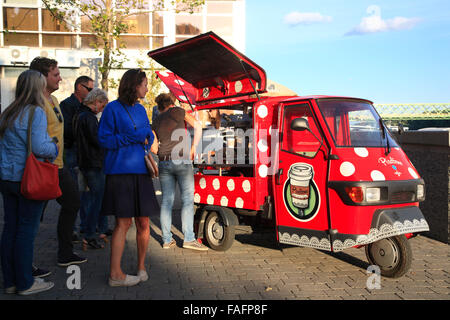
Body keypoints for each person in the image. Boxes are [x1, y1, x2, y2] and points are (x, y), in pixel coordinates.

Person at [98, 69, 159, 287]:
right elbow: (104, 140)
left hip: (141, 172)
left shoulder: (142, 109)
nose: (147, 88)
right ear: (134, 85)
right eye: (144, 84)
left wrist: (149, 136)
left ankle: (141, 267)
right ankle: (115, 274)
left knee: (144, 222)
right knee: (123, 223)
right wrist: (131, 137)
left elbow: (147, 133)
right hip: (120, 172)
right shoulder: (112, 109)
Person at [0, 70, 58, 295]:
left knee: (10, 230)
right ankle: (25, 282)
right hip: (27, 179)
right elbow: (40, 148)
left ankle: (10, 281)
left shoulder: (8, 112)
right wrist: (54, 146)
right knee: (26, 231)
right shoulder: (36, 112)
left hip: (7, 178)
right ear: (36, 88)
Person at [29, 57, 86, 267]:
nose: (60, 78)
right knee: (34, 217)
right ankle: (27, 263)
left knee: (72, 203)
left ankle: (65, 253)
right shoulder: (35, 104)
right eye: (55, 74)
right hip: (43, 168)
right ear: (42, 77)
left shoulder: (53, 101)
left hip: (59, 167)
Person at [152, 93, 207, 251]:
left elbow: (154, 147)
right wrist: (193, 147)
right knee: (187, 200)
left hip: (164, 162)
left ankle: (166, 240)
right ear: (171, 103)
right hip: (182, 160)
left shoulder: (155, 121)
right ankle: (189, 239)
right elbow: (197, 125)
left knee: (167, 202)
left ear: (160, 106)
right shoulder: (178, 111)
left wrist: (162, 154)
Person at [60, 76, 94, 241]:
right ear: (78, 87)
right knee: (73, 191)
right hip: (72, 150)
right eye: (89, 89)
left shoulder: (85, 107)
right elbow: (65, 130)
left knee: (85, 191)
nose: (91, 93)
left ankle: (85, 226)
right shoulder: (67, 105)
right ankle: (72, 228)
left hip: (83, 153)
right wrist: (83, 132)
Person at [73, 88, 108, 249]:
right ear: (96, 102)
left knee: (89, 198)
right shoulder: (89, 117)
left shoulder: (79, 115)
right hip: (93, 163)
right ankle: (89, 234)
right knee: (97, 200)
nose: (102, 109)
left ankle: (87, 231)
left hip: (84, 162)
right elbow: (98, 140)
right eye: (102, 106)